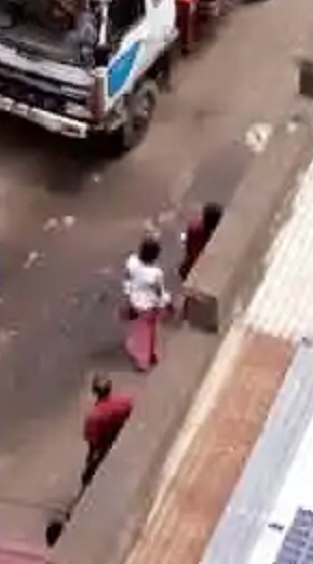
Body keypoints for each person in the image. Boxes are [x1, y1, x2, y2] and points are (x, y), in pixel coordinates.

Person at [122, 235, 170, 369]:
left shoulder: (131, 262)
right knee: (150, 331)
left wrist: (127, 297)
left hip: (135, 302)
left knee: (140, 329)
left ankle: (144, 354)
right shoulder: (156, 273)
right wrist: (165, 304)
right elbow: (159, 291)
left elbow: (127, 279)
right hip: (149, 306)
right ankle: (146, 358)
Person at [81, 377, 135, 489]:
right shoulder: (124, 402)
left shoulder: (95, 416)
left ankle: (87, 479)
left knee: (94, 460)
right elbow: (128, 413)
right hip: (115, 432)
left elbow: (92, 441)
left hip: (103, 440)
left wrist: (90, 457)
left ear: (94, 392)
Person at [179, 202, 224, 281]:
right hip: (198, 269)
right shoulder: (215, 236)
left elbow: (188, 247)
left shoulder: (194, 226)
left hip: (190, 265)